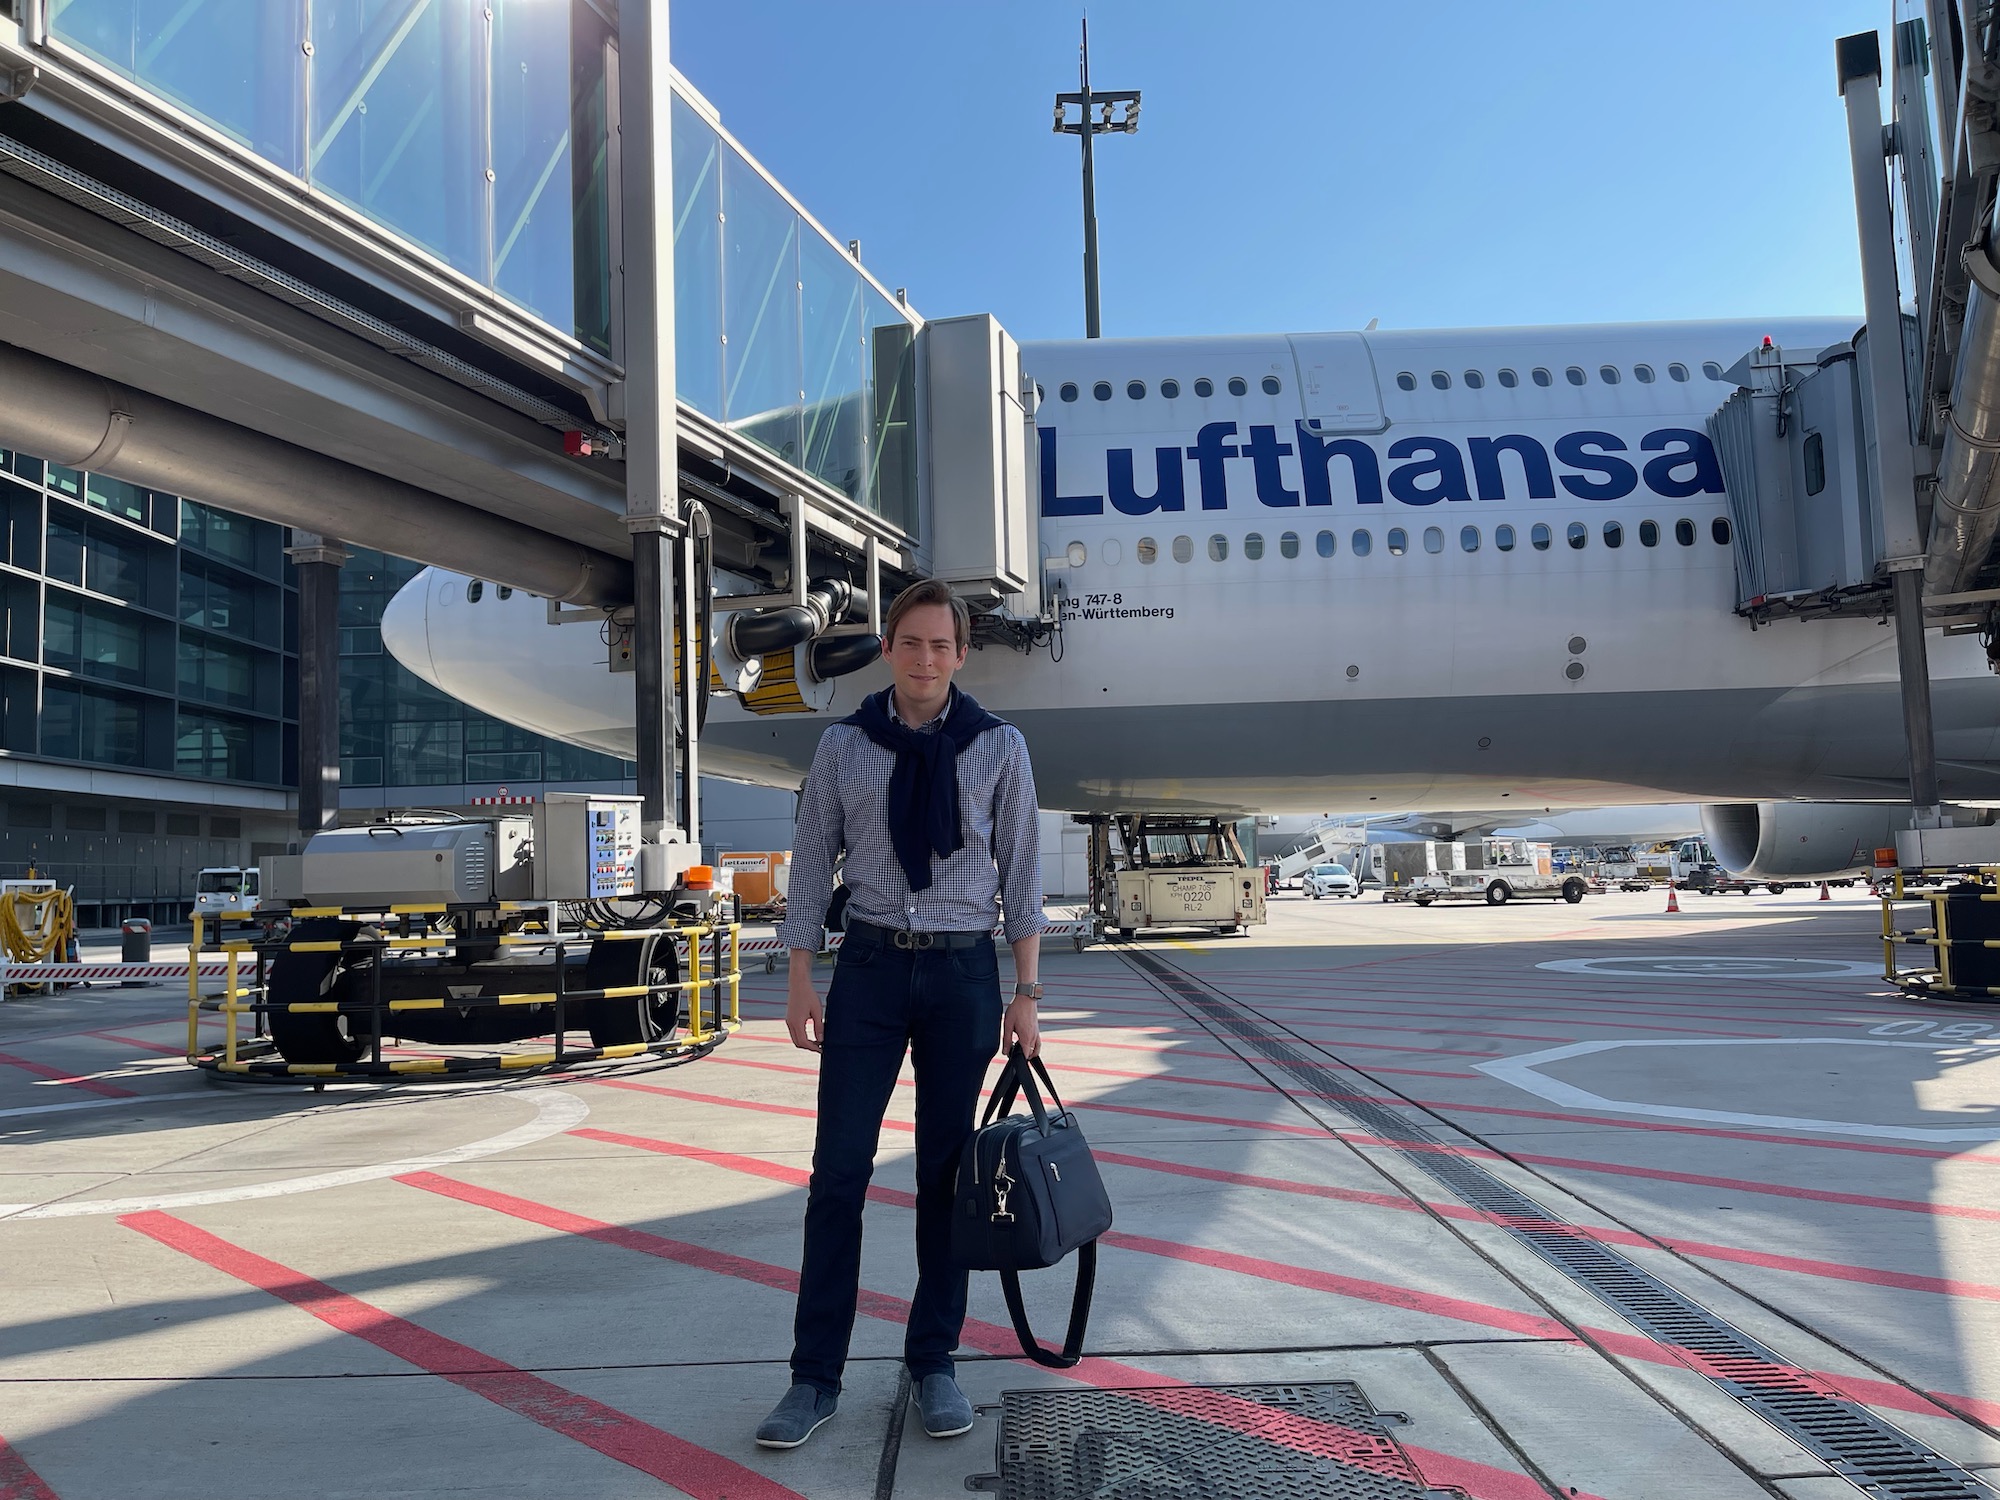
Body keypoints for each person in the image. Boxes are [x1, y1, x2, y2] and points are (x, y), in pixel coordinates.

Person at [755, 578, 1044, 1451]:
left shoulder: (1000, 747)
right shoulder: (846, 747)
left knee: (944, 1181)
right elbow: (811, 865)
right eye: (910, 643)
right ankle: (813, 1378)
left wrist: (1027, 995)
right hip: (872, 969)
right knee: (837, 1175)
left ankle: (935, 1361)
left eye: (941, 645)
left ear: (962, 653)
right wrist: (800, 976)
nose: (926, 660)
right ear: (888, 647)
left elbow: (1023, 872)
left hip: (962, 976)